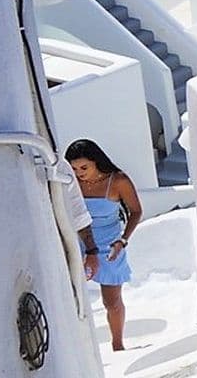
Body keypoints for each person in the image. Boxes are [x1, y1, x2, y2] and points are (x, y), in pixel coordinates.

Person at [64, 138, 140, 351]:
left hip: (110, 245)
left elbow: (136, 211)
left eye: (84, 167)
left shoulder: (118, 181)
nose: (79, 173)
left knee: (112, 302)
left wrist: (123, 240)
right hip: (78, 242)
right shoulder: (70, 183)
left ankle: (118, 344)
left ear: (96, 162)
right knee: (71, 299)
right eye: (74, 168)